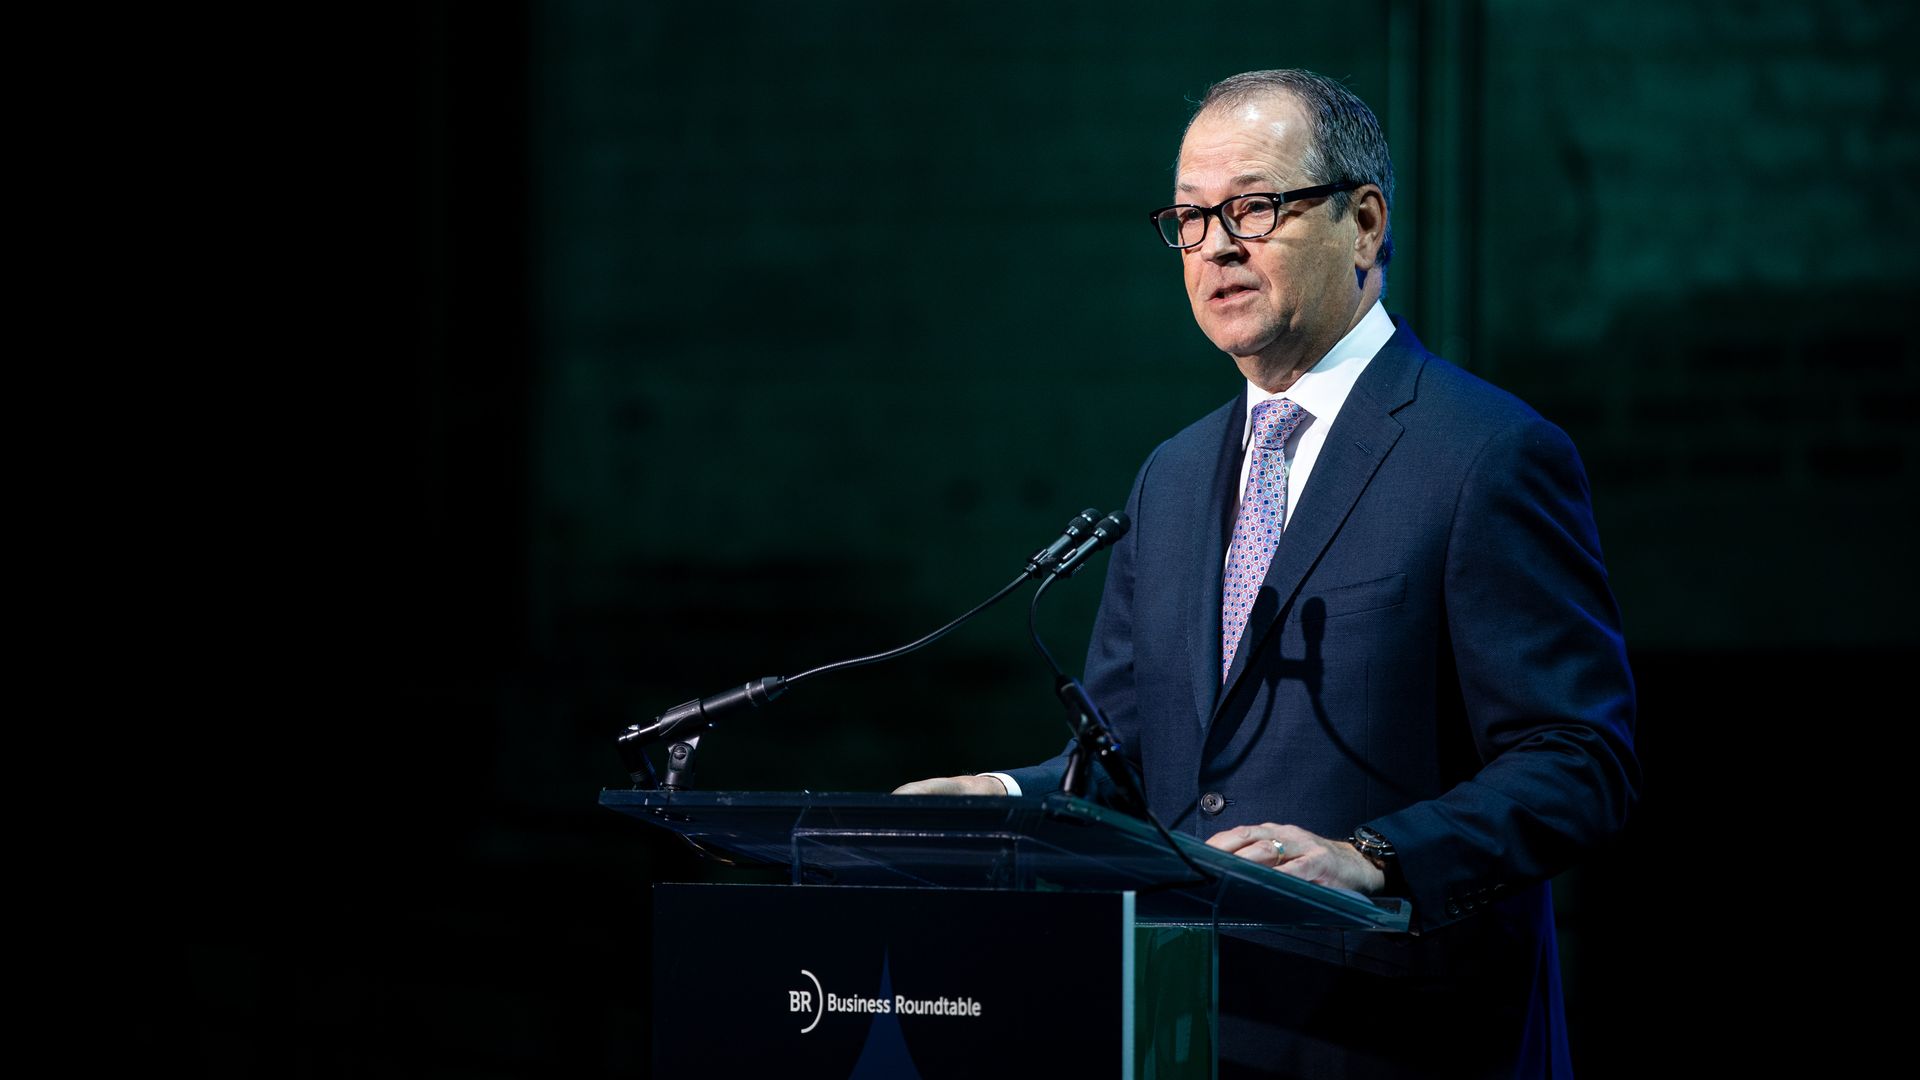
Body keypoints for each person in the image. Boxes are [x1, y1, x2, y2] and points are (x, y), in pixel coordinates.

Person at [896, 69, 1637, 1078]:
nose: (1216, 246)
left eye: (1253, 207)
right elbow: (1126, 765)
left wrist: (1374, 857)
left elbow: (1578, 760)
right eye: (1190, 219)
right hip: (1183, 1029)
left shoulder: (1485, 455)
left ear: (1364, 223)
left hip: (1397, 1038)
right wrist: (1000, 797)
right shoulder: (1171, 477)